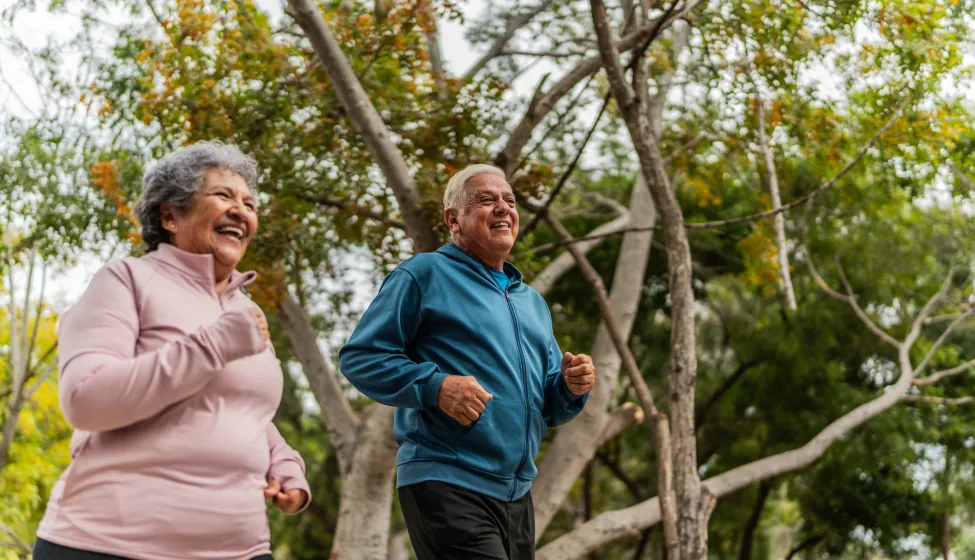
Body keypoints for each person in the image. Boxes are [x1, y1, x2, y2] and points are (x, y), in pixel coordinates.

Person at [34, 142, 310, 560]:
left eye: (249, 203)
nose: (241, 210)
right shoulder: (124, 280)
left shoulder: (245, 310)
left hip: (240, 548)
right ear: (169, 215)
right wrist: (216, 342)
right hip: (107, 544)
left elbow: (240, 407)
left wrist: (285, 464)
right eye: (223, 196)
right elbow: (85, 401)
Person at [339, 164, 596, 559]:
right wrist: (436, 387)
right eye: (486, 200)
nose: (503, 208)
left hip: (517, 493)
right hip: (446, 478)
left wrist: (569, 387)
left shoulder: (533, 303)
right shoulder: (423, 274)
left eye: (509, 201)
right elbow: (362, 357)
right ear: (452, 219)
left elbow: (549, 407)